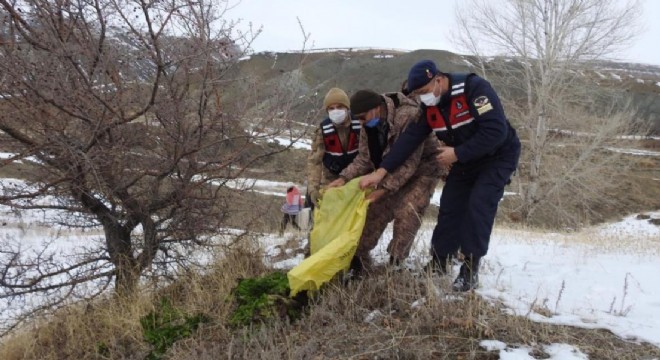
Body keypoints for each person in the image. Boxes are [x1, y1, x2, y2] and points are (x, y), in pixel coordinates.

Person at [359, 60, 521, 291]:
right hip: (464, 159)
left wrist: (457, 153)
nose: (423, 98)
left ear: (438, 79)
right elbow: (410, 140)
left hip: (497, 156)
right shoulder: (430, 107)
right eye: (418, 94)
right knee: (450, 208)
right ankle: (439, 261)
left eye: (424, 92)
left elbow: (496, 131)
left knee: (479, 205)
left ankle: (470, 268)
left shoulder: (474, 89)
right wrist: (381, 171)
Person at [327, 89, 445, 274]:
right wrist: (344, 178)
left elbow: (408, 163)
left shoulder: (408, 115)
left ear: (376, 108)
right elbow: (364, 158)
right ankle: (358, 259)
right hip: (388, 171)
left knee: (408, 212)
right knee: (372, 211)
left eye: (362, 117)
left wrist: (382, 190)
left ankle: (395, 262)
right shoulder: (368, 124)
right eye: (357, 118)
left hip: (423, 170)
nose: (361, 122)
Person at [305, 88, 361, 210]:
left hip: (356, 176)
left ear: (347, 108)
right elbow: (315, 161)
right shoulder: (323, 131)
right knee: (329, 211)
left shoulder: (360, 125)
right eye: (331, 108)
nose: (336, 111)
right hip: (331, 177)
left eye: (340, 107)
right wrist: (313, 189)